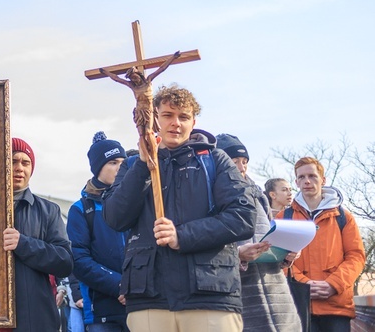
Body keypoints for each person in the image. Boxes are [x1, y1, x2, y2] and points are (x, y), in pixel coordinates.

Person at [102, 84, 255, 332]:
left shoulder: (214, 159)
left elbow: (243, 217)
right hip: (149, 296)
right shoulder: (132, 165)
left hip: (209, 295)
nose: (176, 123)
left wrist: (181, 236)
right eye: (168, 115)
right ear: (155, 119)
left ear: (193, 122)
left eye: (183, 117)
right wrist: (143, 165)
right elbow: (115, 218)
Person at [216, 133, 301, 331]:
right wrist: (237, 255)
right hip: (242, 302)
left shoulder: (258, 195)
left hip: (280, 301)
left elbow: (271, 238)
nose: (241, 167)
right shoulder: (210, 196)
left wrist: (286, 255)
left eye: (244, 161)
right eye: (234, 160)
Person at [0, 137, 74, 332]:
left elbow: (65, 262)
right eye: (13, 161)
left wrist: (23, 244)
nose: (19, 168)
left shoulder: (48, 211)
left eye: (25, 162)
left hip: (34, 320)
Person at [282, 156, 365, 332]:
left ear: (323, 180)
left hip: (336, 306)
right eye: (301, 177)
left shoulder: (343, 217)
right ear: (296, 182)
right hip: (298, 304)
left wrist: (333, 284)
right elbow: (277, 256)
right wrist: (304, 284)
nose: (307, 181)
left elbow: (356, 256)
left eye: (312, 176)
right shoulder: (284, 217)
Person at [67, 131, 129, 331]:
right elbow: (79, 260)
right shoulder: (81, 209)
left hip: (141, 303)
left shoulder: (135, 204)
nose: (120, 167)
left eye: (123, 161)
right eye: (113, 162)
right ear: (98, 168)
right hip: (101, 313)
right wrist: (119, 285)